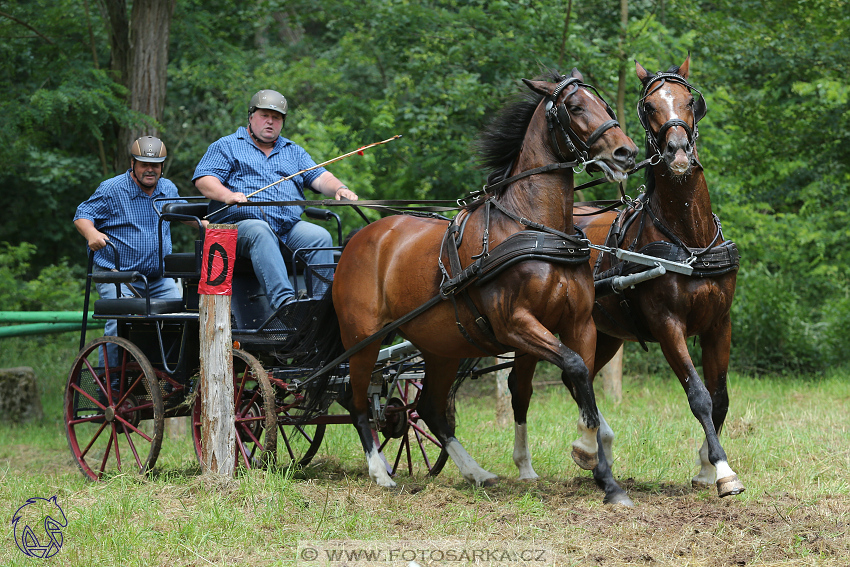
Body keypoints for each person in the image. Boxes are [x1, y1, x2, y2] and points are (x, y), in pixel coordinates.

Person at [193, 89, 358, 315]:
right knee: (261, 231)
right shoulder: (227, 145)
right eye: (264, 115)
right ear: (251, 117)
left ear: (282, 122)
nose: (270, 121)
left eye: (277, 117)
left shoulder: (294, 151)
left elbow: (321, 178)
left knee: (320, 237)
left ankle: (322, 308)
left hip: (287, 227)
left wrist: (339, 188)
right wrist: (227, 195)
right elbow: (204, 180)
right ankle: (286, 305)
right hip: (238, 227)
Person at [74, 136, 187, 359]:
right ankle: (112, 385)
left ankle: (167, 381)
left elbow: (185, 214)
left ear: (162, 166)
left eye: (155, 165)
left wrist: (209, 224)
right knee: (121, 321)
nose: (150, 170)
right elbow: (82, 215)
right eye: (144, 164)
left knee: (182, 317)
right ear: (133, 163)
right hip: (117, 276)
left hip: (158, 278)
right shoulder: (112, 189)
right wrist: (92, 233)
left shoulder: (168, 188)